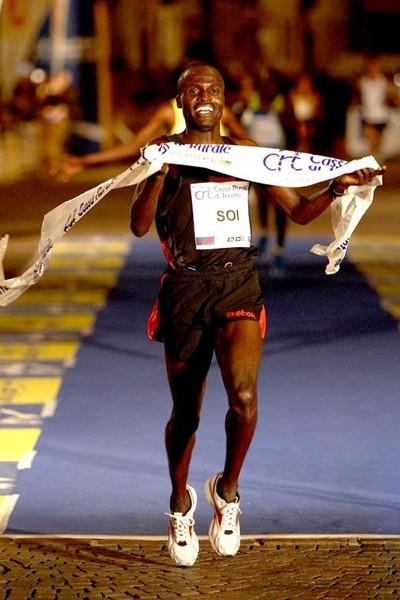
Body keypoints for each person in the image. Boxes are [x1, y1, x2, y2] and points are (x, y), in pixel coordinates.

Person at [130, 63, 384, 567]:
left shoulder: (245, 154)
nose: (205, 96)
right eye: (194, 90)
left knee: (244, 400)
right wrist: (156, 173)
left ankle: (227, 492)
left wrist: (336, 187)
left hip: (237, 283)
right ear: (181, 100)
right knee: (187, 414)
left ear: (225, 99)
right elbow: (139, 225)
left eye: (214, 89)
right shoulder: (164, 152)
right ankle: (180, 503)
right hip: (186, 289)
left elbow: (298, 211)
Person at [354, 54, 399, 162]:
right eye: (370, 66)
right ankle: (371, 163)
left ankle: (376, 162)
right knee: (370, 140)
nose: (372, 68)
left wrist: (393, 100)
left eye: (375, 65)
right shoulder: (362, 81)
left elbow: (394, 95)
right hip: (367, 115)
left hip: (381, 116)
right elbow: (356, 96)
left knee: (378, 143)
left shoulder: (383, 81)